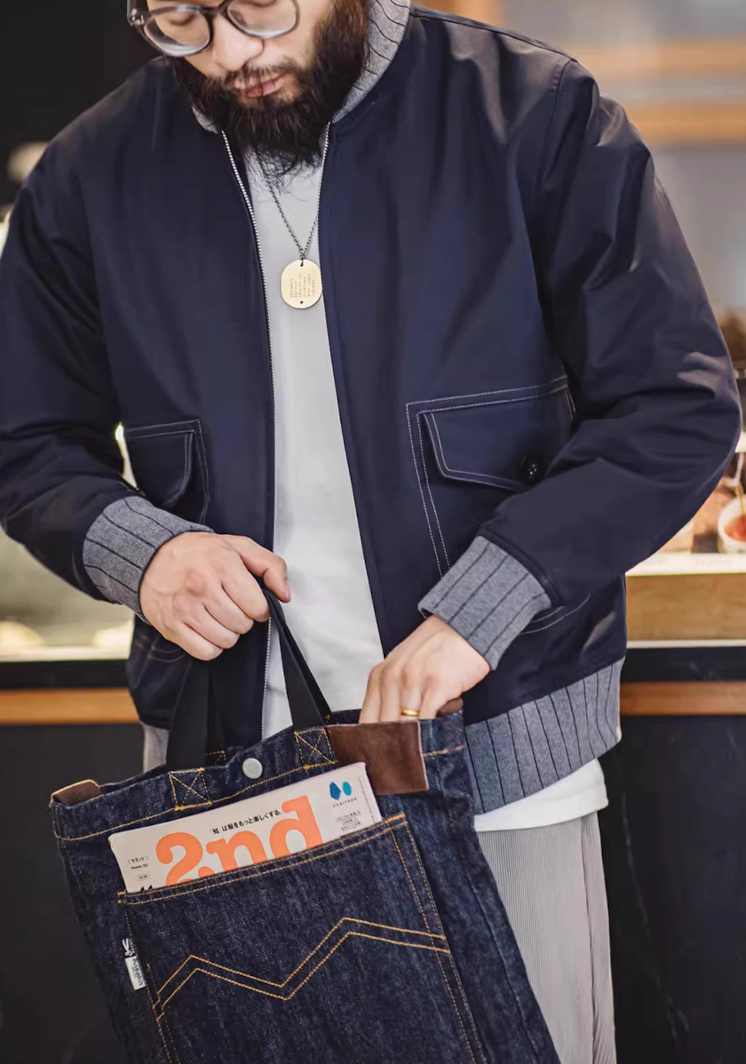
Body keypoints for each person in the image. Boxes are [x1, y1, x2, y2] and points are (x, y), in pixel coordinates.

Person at [0, 1, 739, 1060]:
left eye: (258, 8)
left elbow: (672, 409)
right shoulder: (90, 175)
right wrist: (144, 549)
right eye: (181, 21)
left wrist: (479, 612)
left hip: (499, 756)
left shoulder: (527, 112)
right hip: (227, 773)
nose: (231, 53)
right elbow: (25, 440)